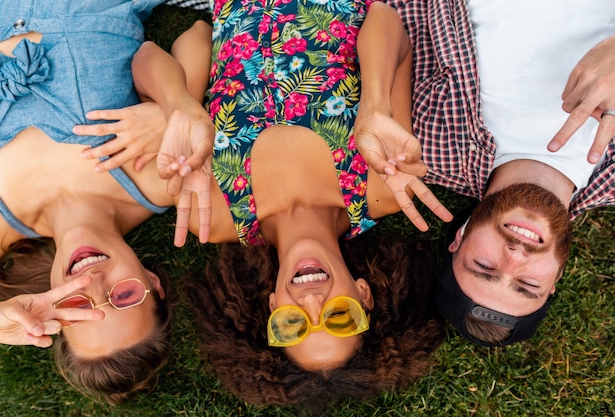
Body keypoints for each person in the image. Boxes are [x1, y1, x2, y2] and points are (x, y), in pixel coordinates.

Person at [87, 0, 452, 407]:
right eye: (339, 317)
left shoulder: (213, 212)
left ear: (273, 307)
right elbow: (386, 18)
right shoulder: (381, 187)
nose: (312, 302)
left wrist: (178, 107)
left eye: (293, 324)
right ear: (364, 295)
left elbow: (164, 49)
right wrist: (375, 106)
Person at [383, 0, 615, 346]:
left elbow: (386, 17)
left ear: (459, 239)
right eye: (528, 285)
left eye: (484, 266)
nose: (515, 258)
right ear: (557, 276)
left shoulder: (426, 143)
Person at [0, 0, 177, 404]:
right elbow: (196, 38)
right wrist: (174, 111)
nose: (92, 282)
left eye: (77, 307)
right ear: (152, 283)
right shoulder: (159, 180)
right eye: (123, 296)